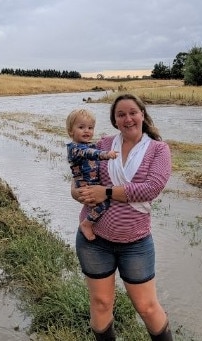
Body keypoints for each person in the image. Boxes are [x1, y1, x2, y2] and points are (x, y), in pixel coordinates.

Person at [71, 94, 173, 340]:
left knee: (147, 308)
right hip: (95, 241)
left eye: (132, 112)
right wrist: (78, 192)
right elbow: (82, 176)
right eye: (121, 114)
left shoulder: (159, 150)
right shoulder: (104, 145)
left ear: (142, 115)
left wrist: (104, 192)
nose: (128, 119)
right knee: (101, 303)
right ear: (114, 120)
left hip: (136, 244)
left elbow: (150, 189)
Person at [66, 108, 118, 241]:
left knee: (101, 203)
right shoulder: (75, 148)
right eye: (81, 127)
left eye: (90, 127)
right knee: (102, 205)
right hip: (85, 185)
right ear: (71, 131)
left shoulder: (87, 145)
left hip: (91, 184)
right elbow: (90, 153)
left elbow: (93, 148)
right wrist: (106, 154)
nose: (87, 130)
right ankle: (86, 224)